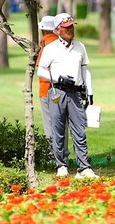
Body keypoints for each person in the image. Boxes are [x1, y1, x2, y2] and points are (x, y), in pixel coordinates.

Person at [37, 13, 97, 179]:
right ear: (57, 30)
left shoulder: (80, 47)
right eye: (66, 27)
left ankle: (83, 167)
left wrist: (89, 91)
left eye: (71, 26)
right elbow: (41, 71)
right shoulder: (50, 48)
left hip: (76, 92)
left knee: (79, 130)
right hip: (57, 91)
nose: (70, 29)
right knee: (58, 130)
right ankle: (61, 165)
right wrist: (57, 78)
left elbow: (85, 69)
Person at [36, 15, 59, 138]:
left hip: (46, 89)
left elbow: (39, 66)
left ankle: (51, 154)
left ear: (43, 30)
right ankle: (63, 154)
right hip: (62, 91)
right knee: (61, 125)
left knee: (49, 125)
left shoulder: (44, 43)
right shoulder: (61, 42)